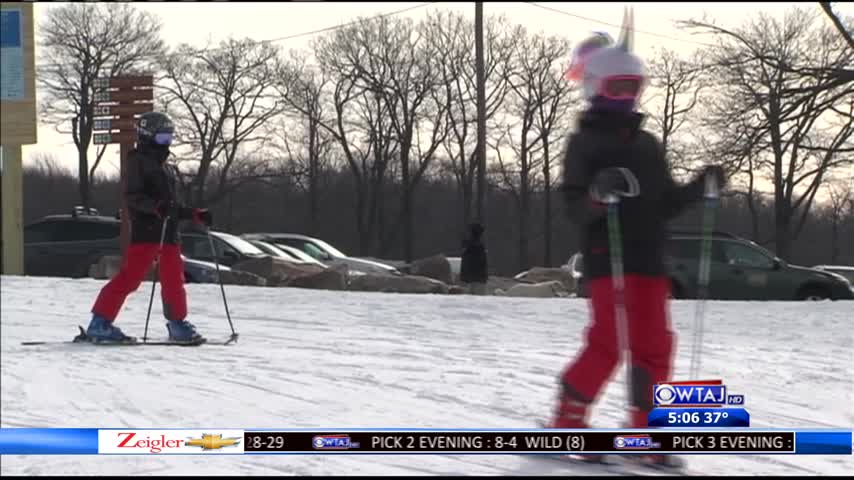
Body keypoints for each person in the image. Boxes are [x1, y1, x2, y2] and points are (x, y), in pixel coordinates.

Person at [547, 9, 725, 466]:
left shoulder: (647, 144)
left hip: (649, 260)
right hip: (608, 258)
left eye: (633, 88)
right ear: (596, 88)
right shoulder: (584, 144)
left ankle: (647, 427)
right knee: (609, 340)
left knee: (656, 343)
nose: (626, 97)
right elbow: (573, 206)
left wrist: (698, 188)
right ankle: (568, 419)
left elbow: (663, 202)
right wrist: (597, 195)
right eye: (617, 88)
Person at [86, 111, 213, 343]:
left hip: (169, 233)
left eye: (169, 138)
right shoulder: (137, 161)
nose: (167, 142)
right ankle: (100, 322)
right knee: (131, 278)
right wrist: (155, 208)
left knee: (174, 279)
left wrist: (195, 214)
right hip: (148, 232)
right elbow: (133, 197)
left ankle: (177, 323)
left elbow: (171, 205)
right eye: (163, 138)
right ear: (147, 136)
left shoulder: (164, 166)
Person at [459, 223, 488, 295]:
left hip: (468, 279)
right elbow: (482, 263)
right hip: (479, 279)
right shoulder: (480, 247)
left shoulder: (467, 245)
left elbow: (465, 262)